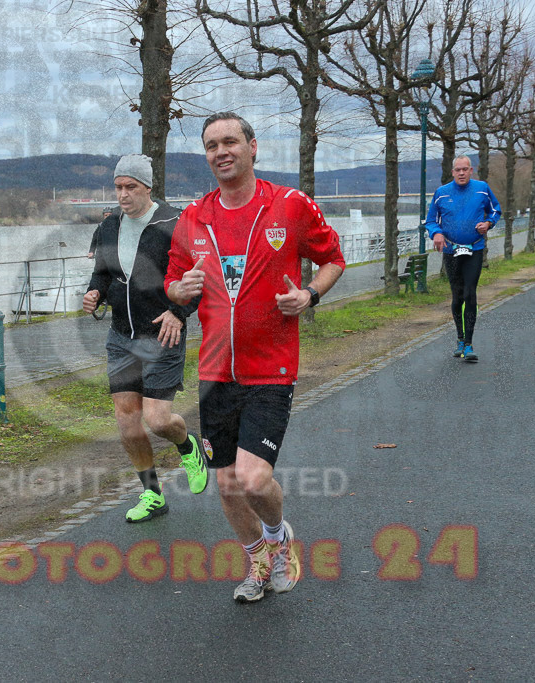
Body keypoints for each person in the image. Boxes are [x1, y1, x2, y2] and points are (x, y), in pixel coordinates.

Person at [165, 112, 345, 603]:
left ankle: (279, 537)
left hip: (272, 367)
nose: (220, 152)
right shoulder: (194, 217)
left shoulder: (289, 205)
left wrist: (309, 294)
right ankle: (258, 562)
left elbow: (333, 259)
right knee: (226, 484)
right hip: (215, 370)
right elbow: (174, 282)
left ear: (252, 147)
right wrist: (180, 288)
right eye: (211, 146)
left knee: (253, 476)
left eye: (230, 142)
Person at [82, 155, 207, 523]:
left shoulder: (176, 222)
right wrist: (94, 295)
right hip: (121, 336)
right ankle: (152, 493)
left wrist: (179, 312)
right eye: (118, 187)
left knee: (157, 420)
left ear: (147, 187)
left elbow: (199, 278)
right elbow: (101, 274)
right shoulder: (109, 226)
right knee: (127, 422)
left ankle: (189, 445)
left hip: (162, 332)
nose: (123, 194)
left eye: (130, 187)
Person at [425, 155, 502, 363]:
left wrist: (488, 223)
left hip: (474, 248)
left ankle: (469, 344)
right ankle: (459, 339)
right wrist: (436, 233)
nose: (461, 173)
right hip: (451, 251)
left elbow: (496, 210)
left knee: (470, 292)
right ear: (452, 172)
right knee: (457, 295)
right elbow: (431, 220)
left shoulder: (482, 188)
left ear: (471, 171)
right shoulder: (442, 193)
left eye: (465, 169)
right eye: (457, 169)